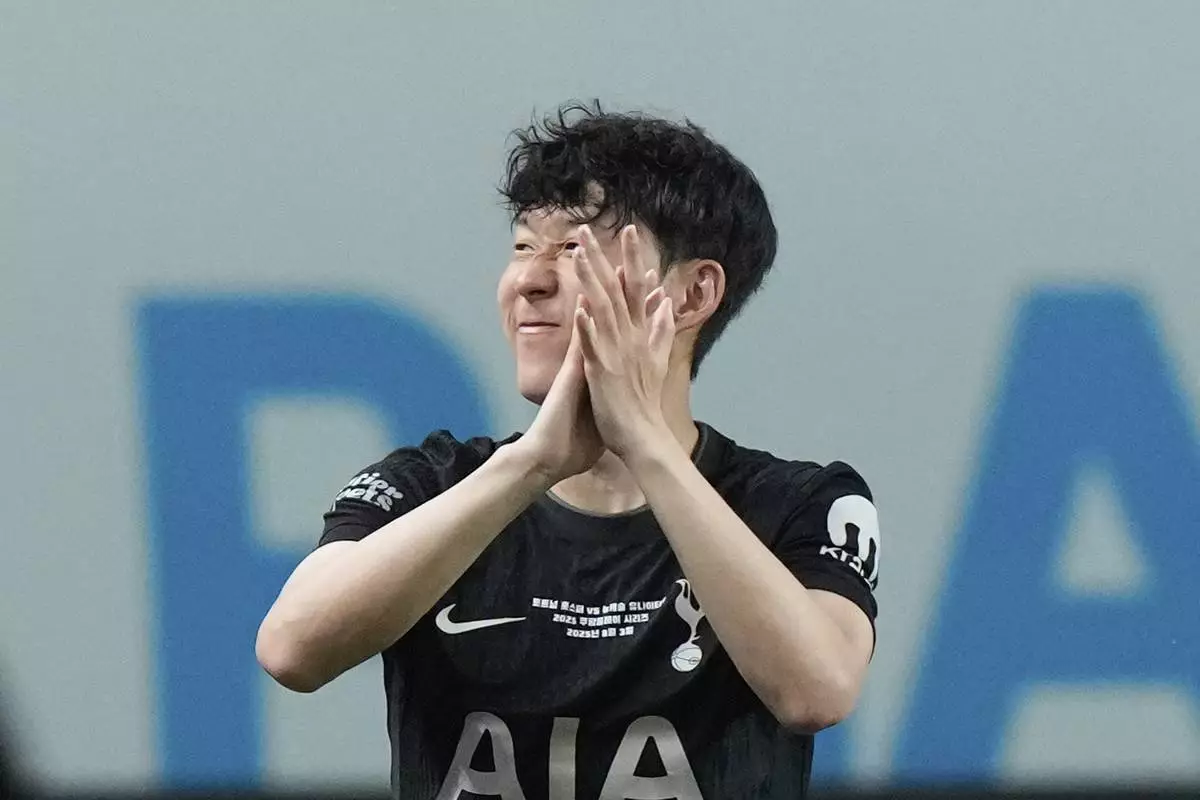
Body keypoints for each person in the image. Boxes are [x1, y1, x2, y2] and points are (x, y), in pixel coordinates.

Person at [257, 102, 881, 799]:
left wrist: (645, 444)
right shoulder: (426, 486)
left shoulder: (798, 503)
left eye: (575, 249)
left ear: (692, 294)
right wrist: (532, 464)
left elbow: (816, 691)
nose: (529, 280)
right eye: (525, 247)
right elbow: (291, 649)